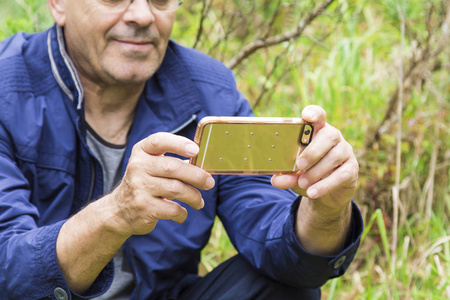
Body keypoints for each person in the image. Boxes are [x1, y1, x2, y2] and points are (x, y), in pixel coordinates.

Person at [0, 0, 363, 299]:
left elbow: (278, 241)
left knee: (286, 289)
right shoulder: (6, 91)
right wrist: (115, 213)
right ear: (58, 5)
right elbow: (7, 271)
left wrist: (326, 206)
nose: (143, 15)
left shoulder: (210, 93)